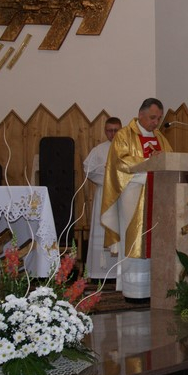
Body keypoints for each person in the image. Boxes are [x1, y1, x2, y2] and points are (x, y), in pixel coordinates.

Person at [101, 98, 172, 302]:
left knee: (157, 239)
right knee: (134, 238)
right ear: (140, 115)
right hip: (133, 196)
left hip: (158, 197)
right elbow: (121, 163)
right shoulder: (124, 135)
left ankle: (155, 288)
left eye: (158, 119)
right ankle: (135, 291)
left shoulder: (160, 137)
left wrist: (161, 160)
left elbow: (170, 161)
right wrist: (151, 162)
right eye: (152, 118)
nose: (155, 123)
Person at [82, 117, 121, 281]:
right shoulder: (98, 150)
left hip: (122, 195)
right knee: (102, 228)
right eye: (109, 130)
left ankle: (121, 272)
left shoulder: (127, 148)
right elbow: (88, 170)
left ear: (121, 130)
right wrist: (106, 175)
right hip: (104, 194)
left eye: (116, 130)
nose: (113, 134)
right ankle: (100, 272)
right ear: (105, 131)